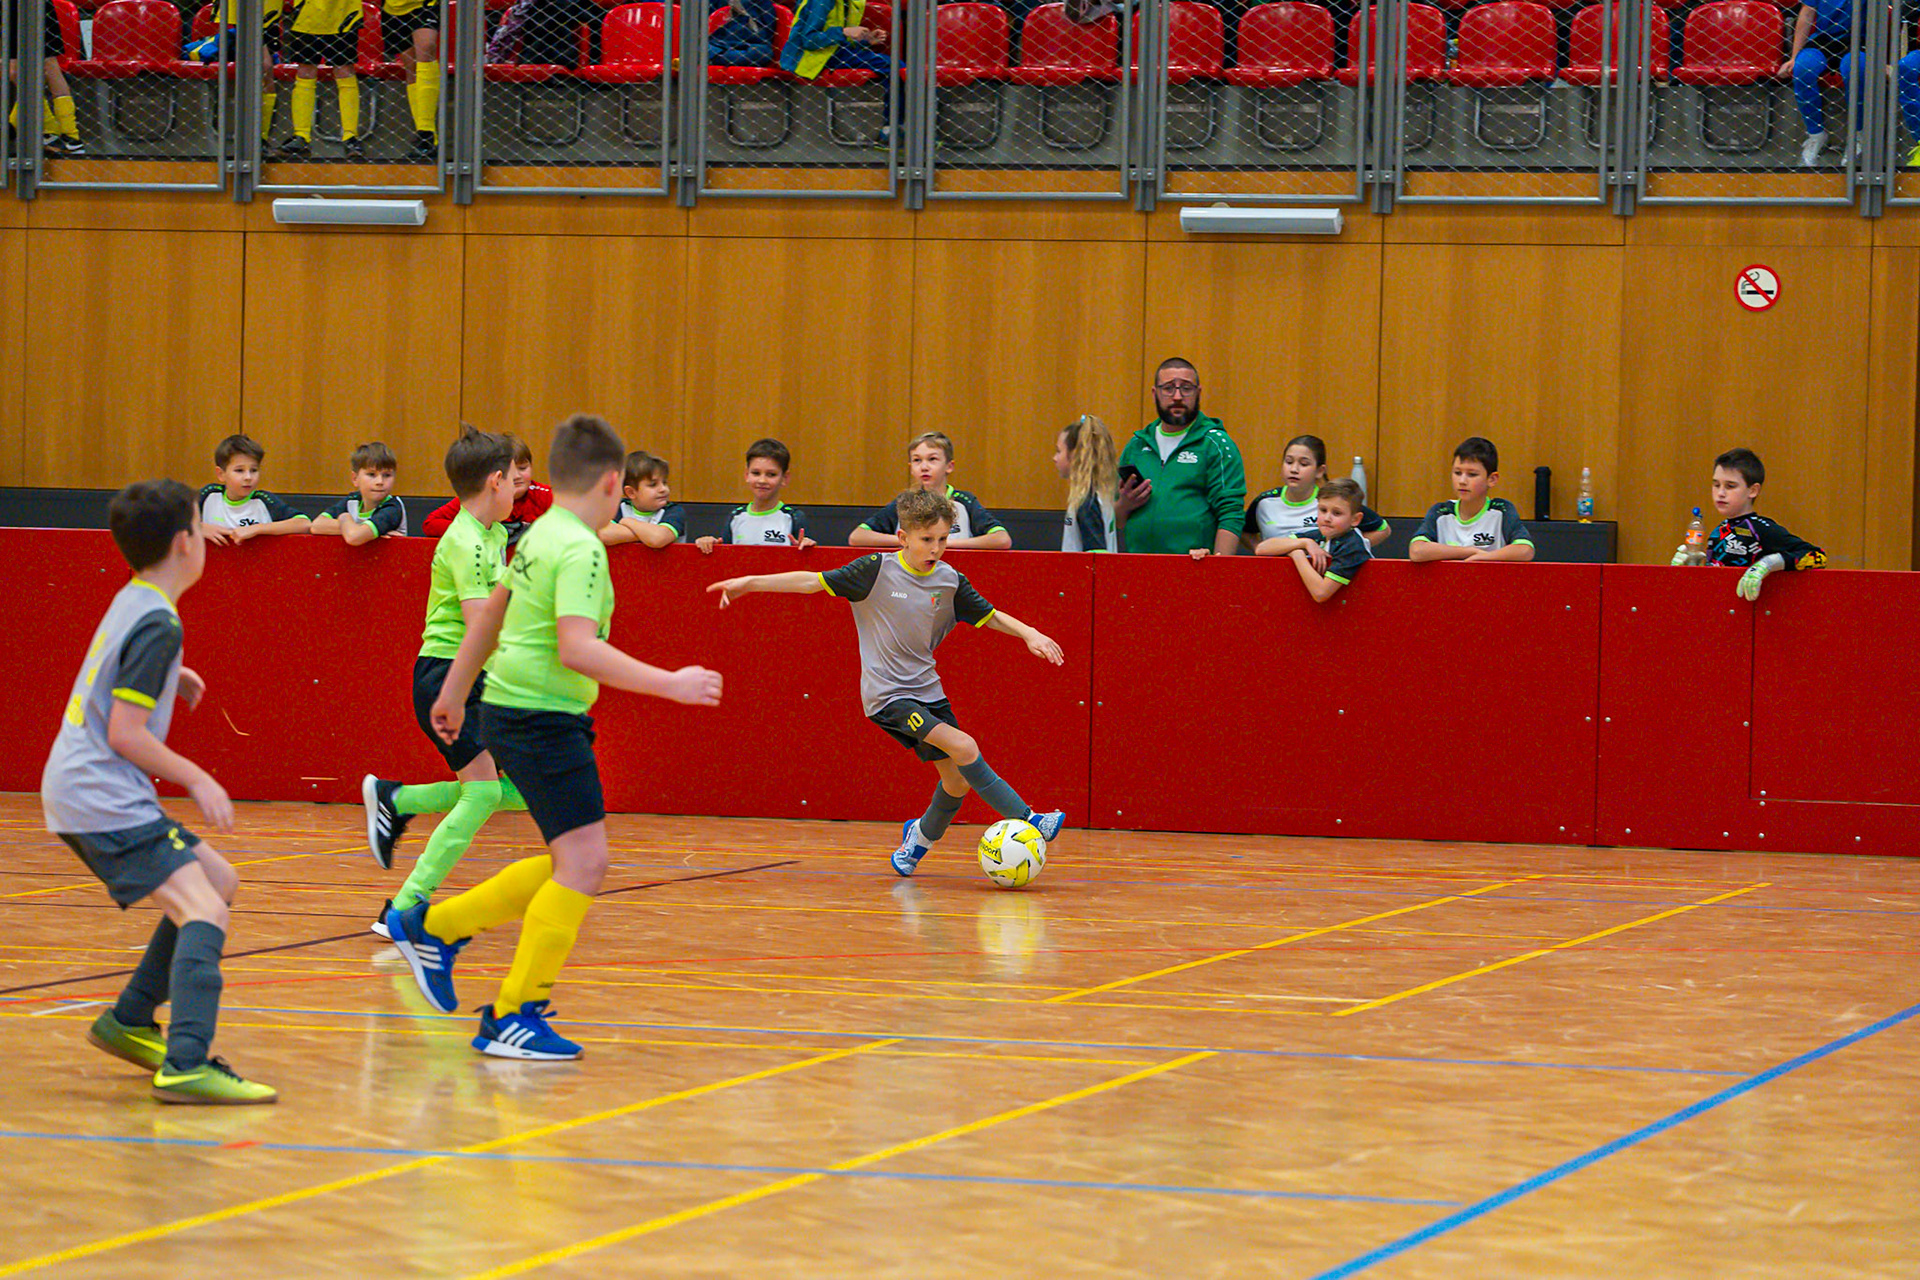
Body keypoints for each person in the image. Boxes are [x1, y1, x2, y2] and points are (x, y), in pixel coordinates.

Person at [388, 415, 724, 1061]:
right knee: (584, 864)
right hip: (541, 717)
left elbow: (491, 616)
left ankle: (437, 930)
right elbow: (577, 648)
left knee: (574, 859)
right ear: (612, 483)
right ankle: (510, 1009)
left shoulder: (539, 534)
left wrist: (455, 691)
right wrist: (671, 683)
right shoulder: (580, 549)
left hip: (512, 710)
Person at [41, 479, 274, 1104]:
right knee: (205, 911)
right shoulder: (159, 622)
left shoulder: (137, 596)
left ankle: (130, 1019)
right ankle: (187, 1064)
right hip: (100, 796)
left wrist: (172, 675)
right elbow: (125, 733)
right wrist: (197, 777)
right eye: (200, 524)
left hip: (82, 789)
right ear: (185, 542)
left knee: (218, 882)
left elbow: (115, 668)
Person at [708, 488, 1066, 878]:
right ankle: (1030, 818)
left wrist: (1030, 633)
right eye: (927, 539)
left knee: (956, 780)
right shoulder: (874, 570)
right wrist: (750, 582)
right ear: (903, 537)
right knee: (965, 746)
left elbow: (989, 615)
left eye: (943, 539)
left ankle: (919, 839)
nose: (936, 548)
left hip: (928, 691)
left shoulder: (949, 580)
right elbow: (811, 582)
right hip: (888, 697)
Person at [362, 426, 529, 939]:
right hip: (448, 675)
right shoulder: (468, 544)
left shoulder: (493, 534)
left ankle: (397, 800)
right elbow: (482, 626)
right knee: (481, 794)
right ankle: (404, 908)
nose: (520, 488)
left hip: (475, 675)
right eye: (515, 479)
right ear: (495, 481)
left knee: (523, 790)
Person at [1115, 358, 1247, 557]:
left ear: (1198, 392)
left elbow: (1231, 513)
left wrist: (1219, 568)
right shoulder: (1137, 445)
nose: (1177, 396)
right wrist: (1123, 505)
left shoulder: (1216, 444)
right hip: (1138, 564)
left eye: (1186, 388)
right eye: (1168, 388)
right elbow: (1116, 520)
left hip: (1195, 565)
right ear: (1155, 393)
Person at [1670, 447, 1826, 600]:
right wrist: (1692, 570)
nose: (1720, 493)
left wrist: (1767, 565)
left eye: (1730, 486)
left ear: (1753, 490)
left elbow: (1817, 556)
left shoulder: (1761, 529)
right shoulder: (1718, 532)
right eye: (1716, 485)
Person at [851, 432, 1011, 550]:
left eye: (932, 459)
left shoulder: (964, 501)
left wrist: (946, 544)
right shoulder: (904, 502)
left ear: (949, 466)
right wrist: (909, 541)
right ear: (911, 468)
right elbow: (857, 537)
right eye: (917, 460)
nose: (924, 467)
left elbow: (1001, 539)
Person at [1243, 435, 1389, 552]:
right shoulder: (1264, 502)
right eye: (1289, 462)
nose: (1294, 469)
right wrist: (1260, 551)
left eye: (1304, 464)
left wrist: (1345, 550)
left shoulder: (1332, 500)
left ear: (1320, 471)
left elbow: (1383, 529)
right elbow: (1244, 531)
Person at [1408, 437, 1535, 563]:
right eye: (1457, 473)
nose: (1462, 481)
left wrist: (1484, 558)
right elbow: (1417, 551)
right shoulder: (1441, 511)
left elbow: (1525, 550)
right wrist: (1469, 552)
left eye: (1472, 474)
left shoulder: (1502, 510)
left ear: (1492, 479)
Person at [1254, 478, 1372, 603]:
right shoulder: (1316, 536)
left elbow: (1320, 593)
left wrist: (1297, 554)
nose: (1327, 518)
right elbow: (1261, 549)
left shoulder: (1352, 545)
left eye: (1337, 513)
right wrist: (1304, 543)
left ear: (1355, 519)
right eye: (1323, 510)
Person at [424, 432, 553, 545]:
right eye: (509, 471)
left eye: (523, 468)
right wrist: (483, 532)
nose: (517, 476)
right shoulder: (478, 495)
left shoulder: (547, 496)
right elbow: (431, 524)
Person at [1777, 0, 1862, 167]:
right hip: (1824, 39)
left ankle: (1860, 135)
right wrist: (1794, 57)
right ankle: (1816, 135)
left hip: (1860, 40)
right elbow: (1807, 13)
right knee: (1803, 68)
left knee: (1855, 69)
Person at [275, 0, 364, 159]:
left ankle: (351, 136)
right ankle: (301, 136)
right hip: (307, 14)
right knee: (305, 71)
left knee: (344, 71)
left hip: (344, 13)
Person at [694, 438, 815, 553]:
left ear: (785, 478)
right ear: (747, 475)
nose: (762, 480)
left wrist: (806, 551)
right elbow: (724, 557)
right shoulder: (736, 517)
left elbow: (807, 560)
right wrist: (710, 544)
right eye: (756, 473)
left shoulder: (794, 518)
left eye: (771, 474)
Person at [197, 435, 310, 544]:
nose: (248, 477)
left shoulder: (264, 500)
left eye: (254, 470)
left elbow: (304, 523)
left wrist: (257, 529)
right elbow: (184, 518)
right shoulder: (209, 493)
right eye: (239, 470)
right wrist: (198, 527)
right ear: (221, 474)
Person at [7, 0, 82, 155]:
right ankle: (50, 128)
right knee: (13, 70)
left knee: (49, 64)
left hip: (35, 6)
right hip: (9, 8)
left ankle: (70, 134)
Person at [311, 441, 409, 544]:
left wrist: (344, 518)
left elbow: (354, 537)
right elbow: (316, 526)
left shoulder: (392, 507)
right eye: (371, 474)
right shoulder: (353, 499)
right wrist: (357, 529)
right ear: (355, 478)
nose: (380, 482)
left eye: (387, 475)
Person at [383, 0, 441, 158]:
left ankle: (426, 132)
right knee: (411, 67)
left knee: (426, 48)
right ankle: (426, 136)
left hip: (425, 5)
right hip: (392, 8)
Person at [1053, 415, 1118, 553]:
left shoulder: (1087, 502)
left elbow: (1097, 556)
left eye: (1059, 451)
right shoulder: (1098, 496)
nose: (1055, 458)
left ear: (1075, 455)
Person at [601, 450, 687, 549]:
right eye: (653, 485)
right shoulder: (617, 508)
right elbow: (604, 535)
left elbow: (657, 539)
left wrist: (627, 522)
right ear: (631, 492)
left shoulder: (674, 511)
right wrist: (646, 535)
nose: (663, 489)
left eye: (664, 482)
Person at [710, 0, 778, 65]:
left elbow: (766, 33)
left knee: (762, 52)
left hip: (749, 45)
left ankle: (714, 58)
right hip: (719, 44)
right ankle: (715, 57)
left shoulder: (762, 3)